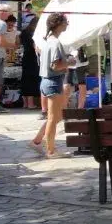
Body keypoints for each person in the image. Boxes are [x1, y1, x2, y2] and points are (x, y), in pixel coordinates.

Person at [28, 12, 75, 158]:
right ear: (59, 24)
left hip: (48, 82)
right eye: (66, 22)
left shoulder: (49, 40)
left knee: (55, 116)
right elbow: (55, 66)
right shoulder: (55, 42)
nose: (67, 24)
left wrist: (65, 61)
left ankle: (37, 141)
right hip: (53, 82)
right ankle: (51, 150)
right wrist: (69, 62)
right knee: (53, 118)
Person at [19, 15, 41, 110]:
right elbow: (35, 47)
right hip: (33, 57)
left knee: (25, 79)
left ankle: (25, 103)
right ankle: (31, 103)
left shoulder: (23, 32)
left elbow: (18, 43)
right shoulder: (35, 34)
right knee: (32, 80)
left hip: (25, 57)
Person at [67, 44, 88, 110]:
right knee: (66, 86)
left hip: (79, 63)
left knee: (81, 85)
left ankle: (80, 109)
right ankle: (65, 108)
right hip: (67, 62)